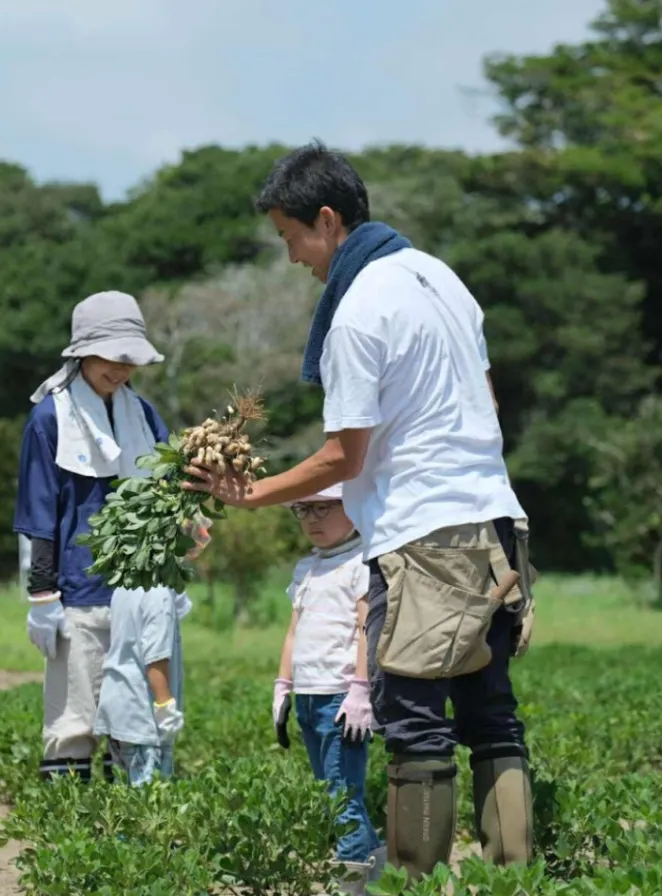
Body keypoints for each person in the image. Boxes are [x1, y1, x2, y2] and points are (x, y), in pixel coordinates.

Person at [185, 141, 536, 881]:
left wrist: (248, 493)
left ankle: (413, 884)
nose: (292, 258)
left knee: (413, 723)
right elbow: (487, 405)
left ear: (326, 220)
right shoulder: (440, 278)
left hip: (424, 537)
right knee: (490, 715)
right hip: (498, 523)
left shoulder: (357, 313)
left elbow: (343, 457)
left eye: (290, 238)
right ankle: (514, 878)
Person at [13, 290, 191, 783]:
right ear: (83, 352)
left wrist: (173, 570)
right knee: (74, 716)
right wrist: (42, 595)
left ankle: (122, 823)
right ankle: (68, 821)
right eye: (112, 357)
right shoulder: (49, 417)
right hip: (77, 592)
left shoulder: (144, 414)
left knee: (134, 712)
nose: (122, 369)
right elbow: (40, 510)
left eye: (129, 359)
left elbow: (166, 498)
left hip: (139, 592)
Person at [272, 484, 384, 894]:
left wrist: (361, 689)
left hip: (341, 698)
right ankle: (380, 877)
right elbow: (294, 630)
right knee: (330, 793)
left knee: (343, 796)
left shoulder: (362, 562)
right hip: (308, 694)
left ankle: (350, 885)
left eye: (324, 509)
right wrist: (283, 685)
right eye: (304, 510)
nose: (312, 520)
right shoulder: (307, 567)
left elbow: (367, 630)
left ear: (353, 508)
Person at [92, 585, 184, 786]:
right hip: (143, 717)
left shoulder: (125, 588)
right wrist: (166, 709)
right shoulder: (159, 595)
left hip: (119, 708)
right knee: (150, 796)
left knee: (126, 794)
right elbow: (156, 658)